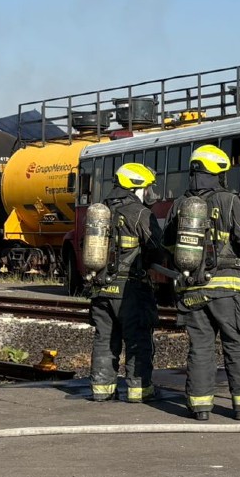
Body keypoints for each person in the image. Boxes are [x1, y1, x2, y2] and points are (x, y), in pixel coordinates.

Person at [162, 144, 240, 421]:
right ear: (218, 173)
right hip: (225, 290)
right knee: (236, 344)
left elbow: (167, 245)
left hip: (191, 290)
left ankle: (199, 407)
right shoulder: (228, 200)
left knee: (200, 348)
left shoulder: (180, 204)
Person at [87, 162, 164, 403]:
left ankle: (102, 390)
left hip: (101, 289)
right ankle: (140, 390)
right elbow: (157, 249)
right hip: (131, 290)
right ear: (136, 188)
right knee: (138, 339)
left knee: (104, 340)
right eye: (148, 188)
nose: (150, 193)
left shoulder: (100, 211)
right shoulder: (140, 213)